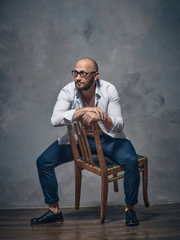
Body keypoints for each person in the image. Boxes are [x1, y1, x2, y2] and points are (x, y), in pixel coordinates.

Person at [30, 58, 140, 226]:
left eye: (83, 73)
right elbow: (55, 119)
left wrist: (101, 116)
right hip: (79, 140)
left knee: (131, 161)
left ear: (95, 76)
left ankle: (130, 209)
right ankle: (54, 211)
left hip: (108, 139)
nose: (77, 77)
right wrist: (85, 110)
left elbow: (118, 124)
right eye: (75, 73)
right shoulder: (67, 91)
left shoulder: (109, 89)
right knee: (43, 162)